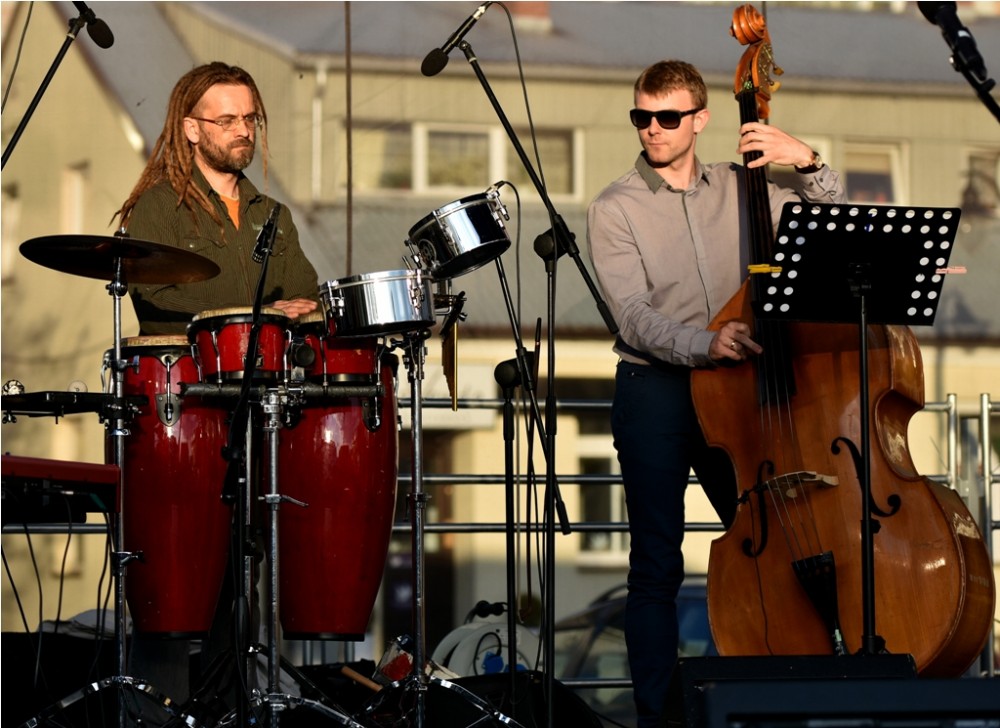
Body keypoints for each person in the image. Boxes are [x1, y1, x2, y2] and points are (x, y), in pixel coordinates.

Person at [586, 60, 847, 728]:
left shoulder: (746, 186)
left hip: (739, 391)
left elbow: (834, 232)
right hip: (657, 390)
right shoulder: (615, 207)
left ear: (700, 119)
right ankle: (657, 720)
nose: (652, 129)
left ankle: (781, 699)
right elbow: (633, 318)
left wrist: (808, 160)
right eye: (641, 117)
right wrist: (706, 343)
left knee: (772, 545)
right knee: (655, 566)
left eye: (667, 116)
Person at [112, 62, 320, 719]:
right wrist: (262, 308)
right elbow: (157, 291)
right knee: (181, 570)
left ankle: (233, 702)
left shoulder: (270, 215)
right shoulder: (158, 207)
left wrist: (291, 309)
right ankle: (163, 708)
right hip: (182, 406)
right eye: (226, 119)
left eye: (250, 118)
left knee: (242, 570)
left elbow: (305, 295)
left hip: (256, 410)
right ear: (191, 129)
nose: (242, 130)